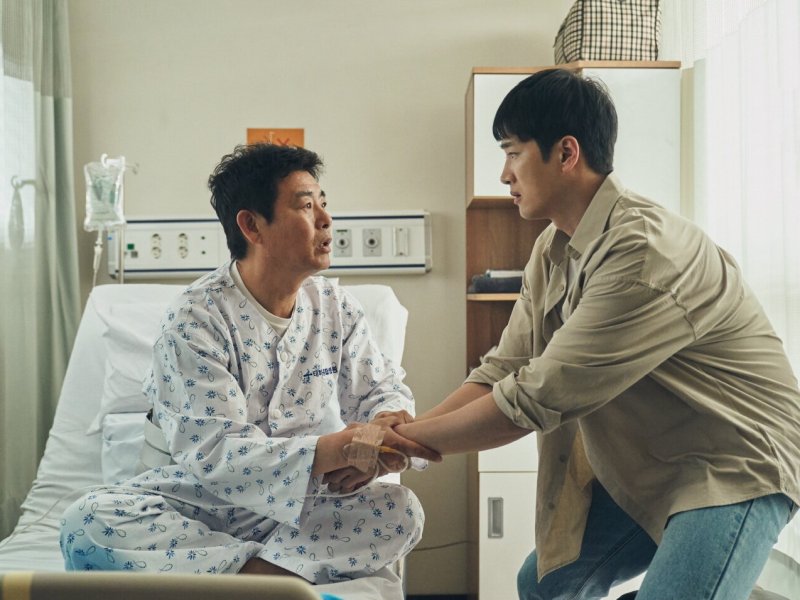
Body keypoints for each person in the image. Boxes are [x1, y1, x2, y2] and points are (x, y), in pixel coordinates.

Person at [386, 69, 800, 600]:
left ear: (566, 153)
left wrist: (401, 443)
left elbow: (537, 396)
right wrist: (411, 431)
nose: (504, 174)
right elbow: (504, 369)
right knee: (545, 584)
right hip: (653, 460)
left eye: (513, 153)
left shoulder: (643, 252)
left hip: (734, 462)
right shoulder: (552, 247)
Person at [59, 143, 440, 583]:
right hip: (197, 502)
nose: (326, 219)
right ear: (252, 225)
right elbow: (216, 451)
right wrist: (338, 449)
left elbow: (381, 391)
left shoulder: (337, 309)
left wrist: (381, 430)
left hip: (304, 503)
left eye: (323, 203)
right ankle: (271, 577)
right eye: (306, 206)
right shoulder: (196, 319)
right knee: (87, 523)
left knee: (399, 511)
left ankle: (237, 578)